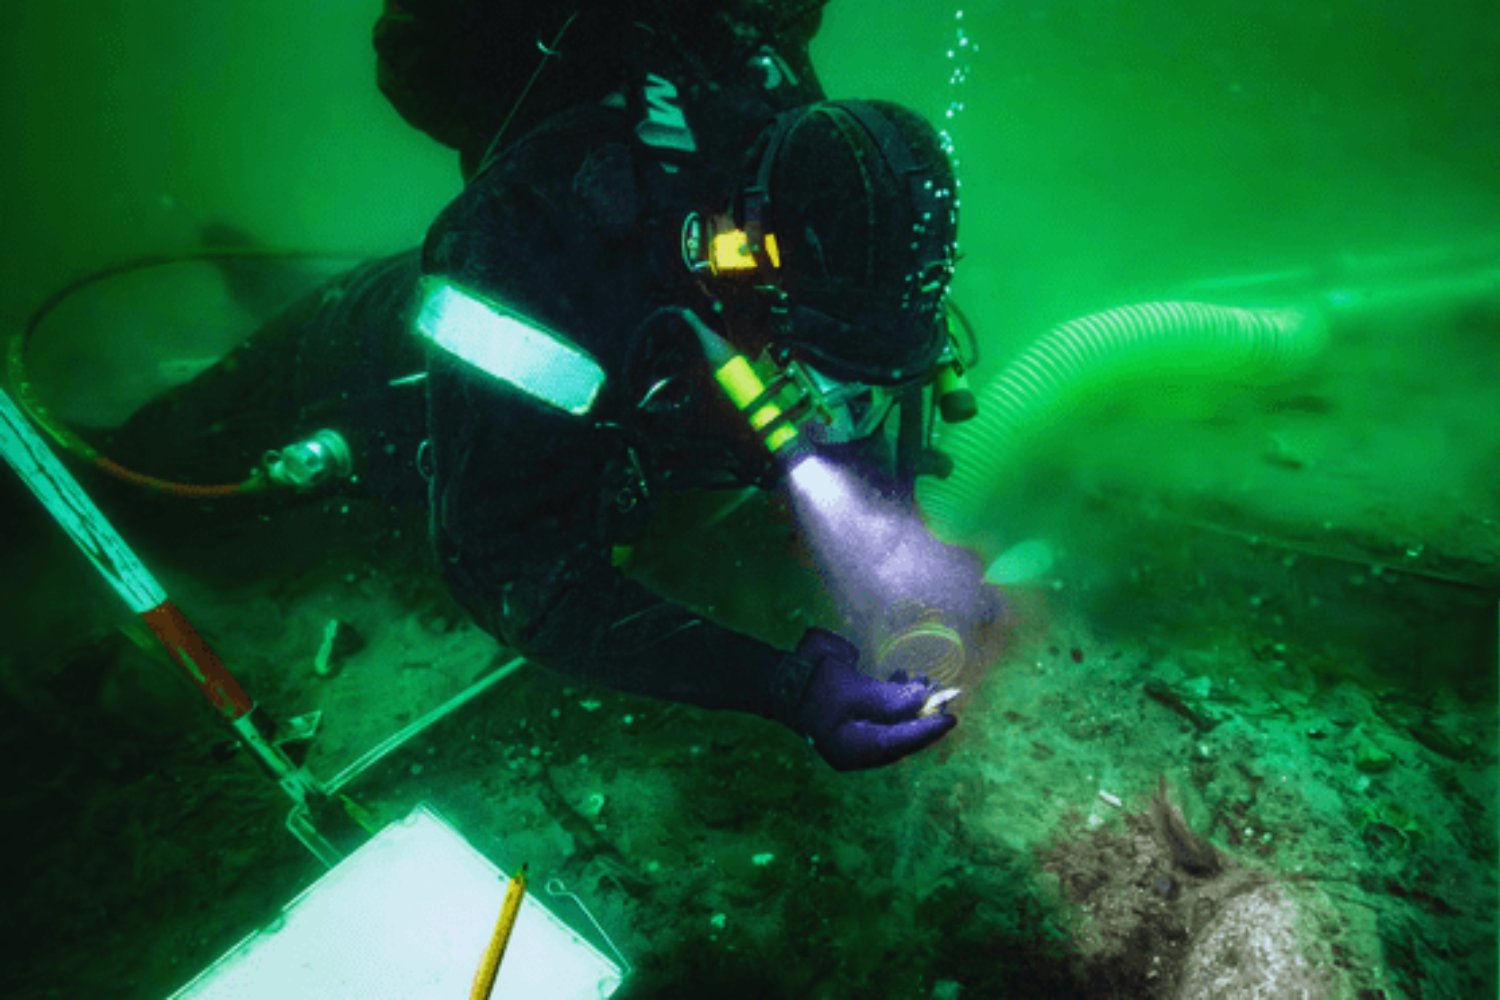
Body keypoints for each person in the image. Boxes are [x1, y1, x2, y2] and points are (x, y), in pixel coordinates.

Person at [101, 2, 987, 771]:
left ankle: (249, 287)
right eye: (821, 369)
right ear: (746, 259)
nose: (832, 408)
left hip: (597, 361)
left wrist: (902, 548)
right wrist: (783, 688)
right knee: (152, 476)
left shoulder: (792, 149)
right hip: (369, 366)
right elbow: (509, 569)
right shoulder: (529, 257)